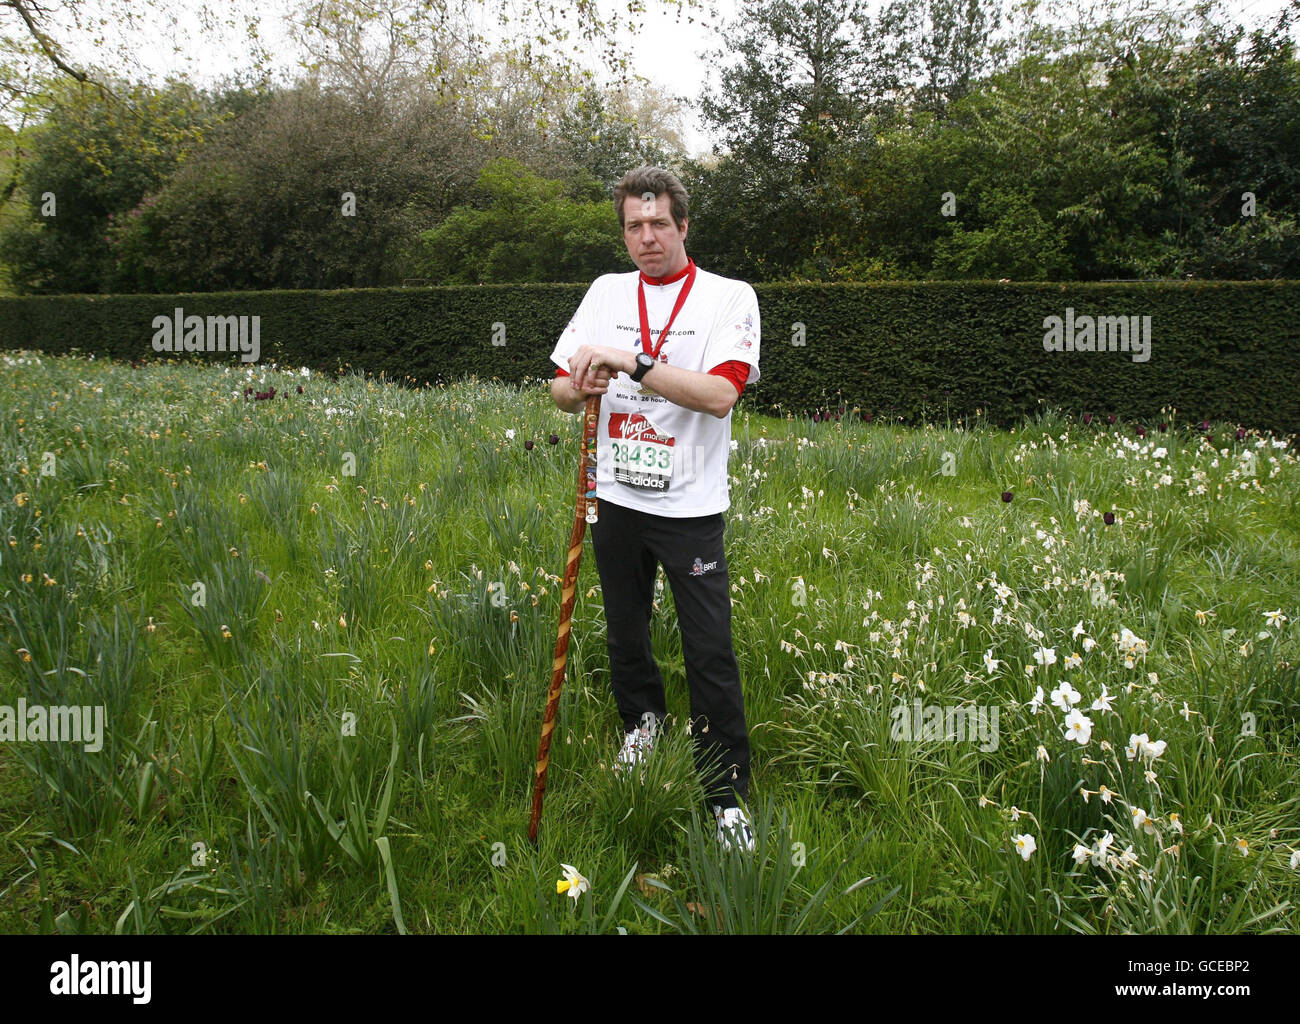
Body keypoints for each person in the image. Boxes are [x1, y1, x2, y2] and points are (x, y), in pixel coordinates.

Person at [548, 165, 761, 851]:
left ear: (684, 226)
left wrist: (633, 363)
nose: (646, 238)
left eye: (658, 224)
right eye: (634, 226)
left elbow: (721, 394)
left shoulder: (729, 298)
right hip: (613, 496)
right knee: (625, 629)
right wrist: (581, 379)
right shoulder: (606, 291)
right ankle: (642, 725)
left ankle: (727, 795)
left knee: (708, 649)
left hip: (689, 504)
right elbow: (557, 388)